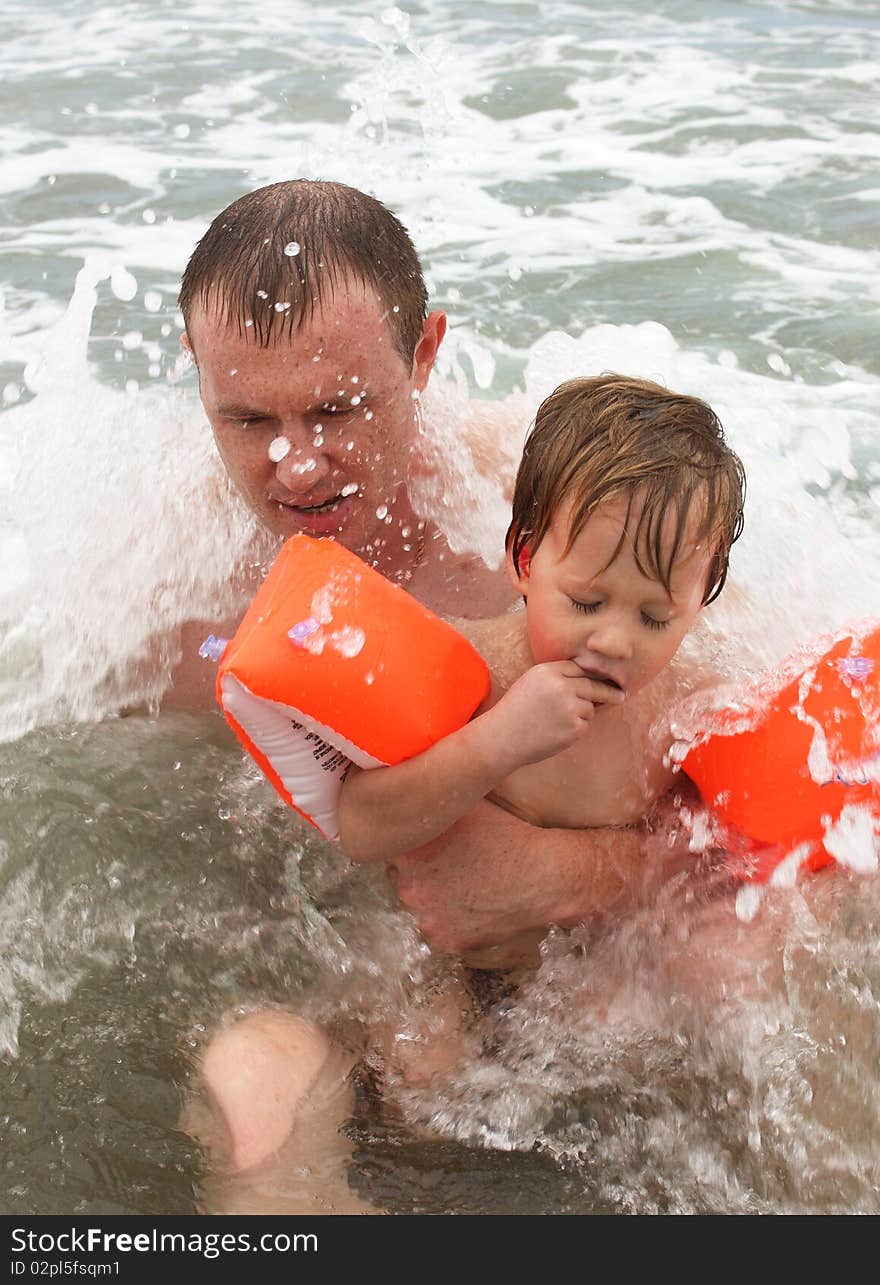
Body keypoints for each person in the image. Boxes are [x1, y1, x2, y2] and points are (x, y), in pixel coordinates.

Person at [175, 181, 736, 1183]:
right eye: (248, 416)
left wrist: (563, 877)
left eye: (337, 409)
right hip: (365, 984)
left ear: (425, 354)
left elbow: (752, 826)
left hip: (569, 986)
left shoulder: (556, 524)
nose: (295, 461)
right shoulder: (157, 589)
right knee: (251, 1091)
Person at [337, 374, 745, 861]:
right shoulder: (464, 667)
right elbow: (358, 827)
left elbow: (737, 856)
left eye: (655, 617)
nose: (615, 642)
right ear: (524, 560)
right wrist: (497, 742)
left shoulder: (690, 714)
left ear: (701, 599)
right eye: (586, 603)